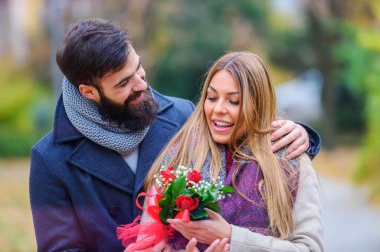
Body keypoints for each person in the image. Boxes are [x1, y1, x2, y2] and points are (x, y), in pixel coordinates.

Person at [29, 18, 320, 252]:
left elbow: (243, 135)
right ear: (89, 92)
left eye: (139, 68)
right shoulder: (50, 160)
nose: (142, 85)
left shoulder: (181, 116)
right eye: (125, 83)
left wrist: (297, 135)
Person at [144, 52, 323, 251]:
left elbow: (309, 248)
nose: (218, 108)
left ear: (259, 104)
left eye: (233, 101)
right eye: (212, 97)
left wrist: (231, 237)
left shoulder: (288, 157)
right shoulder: (180, 153)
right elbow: (148, 239)